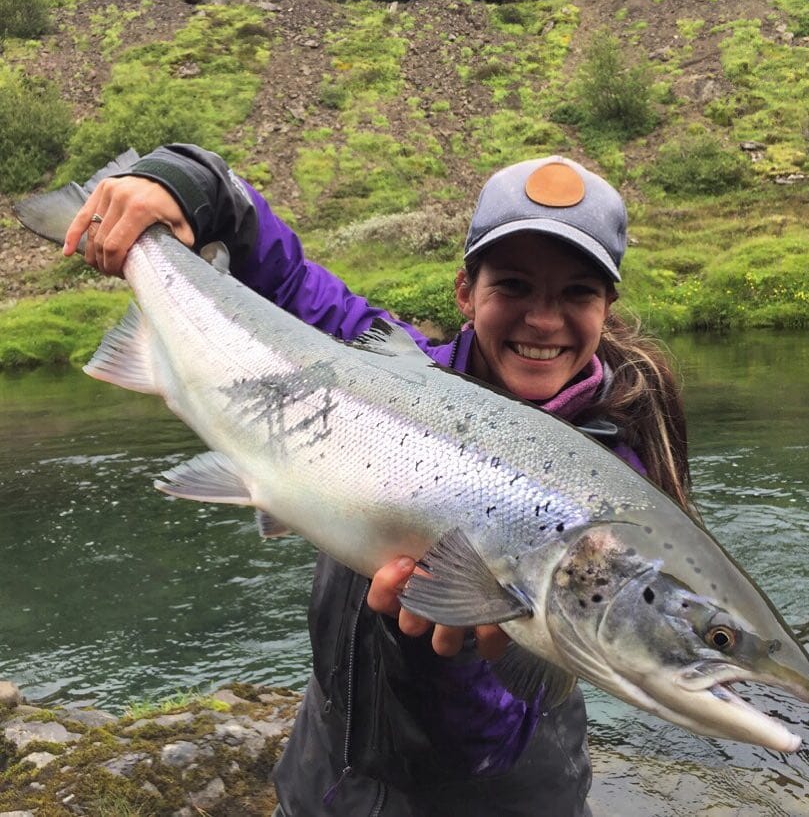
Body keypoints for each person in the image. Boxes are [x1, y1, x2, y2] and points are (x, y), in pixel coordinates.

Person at [64, 148, 692, 816]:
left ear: (606, 307)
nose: (543, 319)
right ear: (465, 293)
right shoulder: (386, 366)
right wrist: (187, 183)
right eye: (512, 286)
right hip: (326, 786)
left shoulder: (608, 504)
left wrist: (438, 659)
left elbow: (493, 739)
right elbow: (284, 274)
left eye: (576, 292)